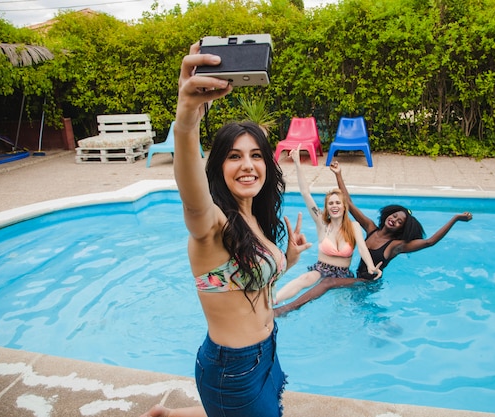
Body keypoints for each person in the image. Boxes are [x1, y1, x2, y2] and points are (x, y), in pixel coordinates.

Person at [140, 42, 310, 417]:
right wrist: (186, 121)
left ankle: (165, 415)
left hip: (267, 352)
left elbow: (253, 282)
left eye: (256, 155)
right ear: (217, 167)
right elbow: (192, 195)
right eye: (234, 156)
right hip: (233, 368)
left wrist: (289, 260)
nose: (247, 165)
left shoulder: (254, 220)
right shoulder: (211, 224)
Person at [274, 160, 473, 316]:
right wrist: (339, 175)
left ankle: (287, 309)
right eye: (394, 215)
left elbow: (430, 242)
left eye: (400, 221)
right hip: (355, 277)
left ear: (402, 228)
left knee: (329, 285)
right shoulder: (370, 228)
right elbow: (348, 204)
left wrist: (454, 219)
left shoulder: (396, 245)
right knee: (334, 292)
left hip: (368, 282)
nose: (394, 220)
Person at [274, 147, 382, 305]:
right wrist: (297, 162)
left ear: (344, 206)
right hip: (321, 270)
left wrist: (371, 267)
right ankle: (273, 302)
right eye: (330, 203)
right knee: (303, 279)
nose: (334, 206)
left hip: (343, 275)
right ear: (327, 207)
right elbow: (305, 193)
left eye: (338, 202)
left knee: (343, 309)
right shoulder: (322, 222)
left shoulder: (354, 226)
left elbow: (362, 248)